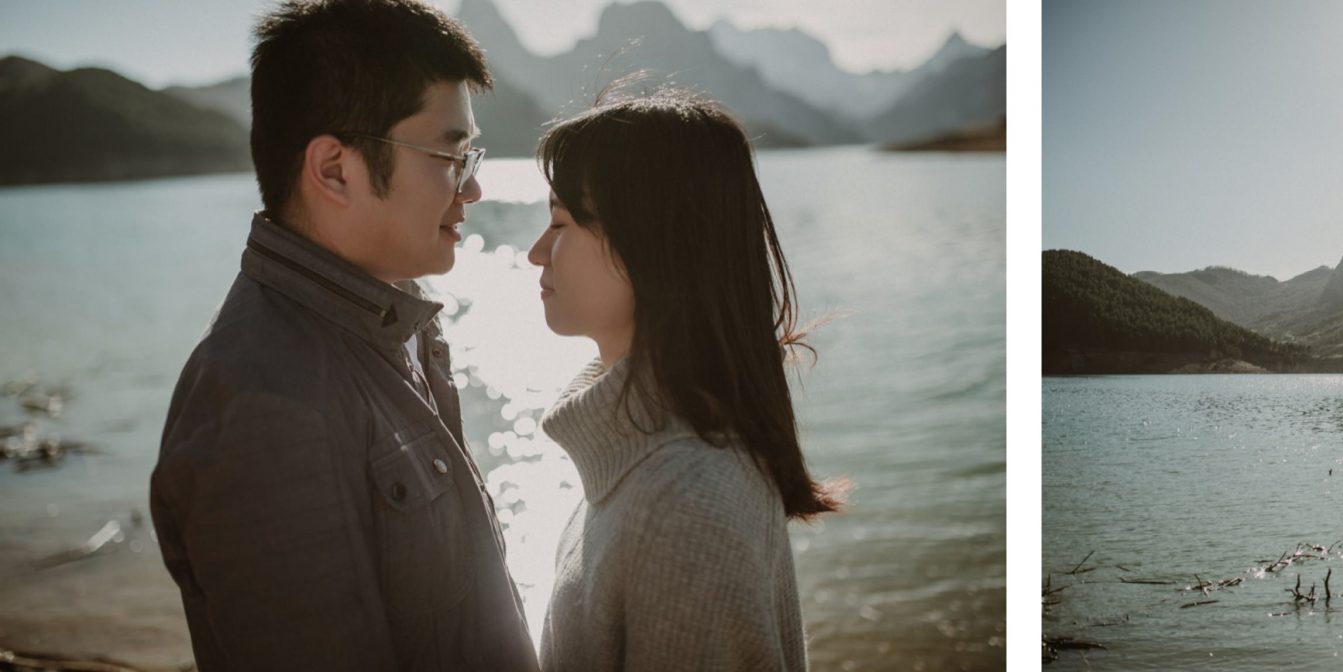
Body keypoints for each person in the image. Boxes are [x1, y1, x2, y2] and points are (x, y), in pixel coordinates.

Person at [149, 1, 538, 669]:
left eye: (471, 153)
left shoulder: (387, 326)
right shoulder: (267, 404)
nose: (471, 189)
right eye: (449, 154)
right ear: (334, 170)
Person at [526, 88, 839, 670]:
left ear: (653, 242)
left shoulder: (686, 504)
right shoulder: (639, 453)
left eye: (561, 222)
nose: (536, 252)